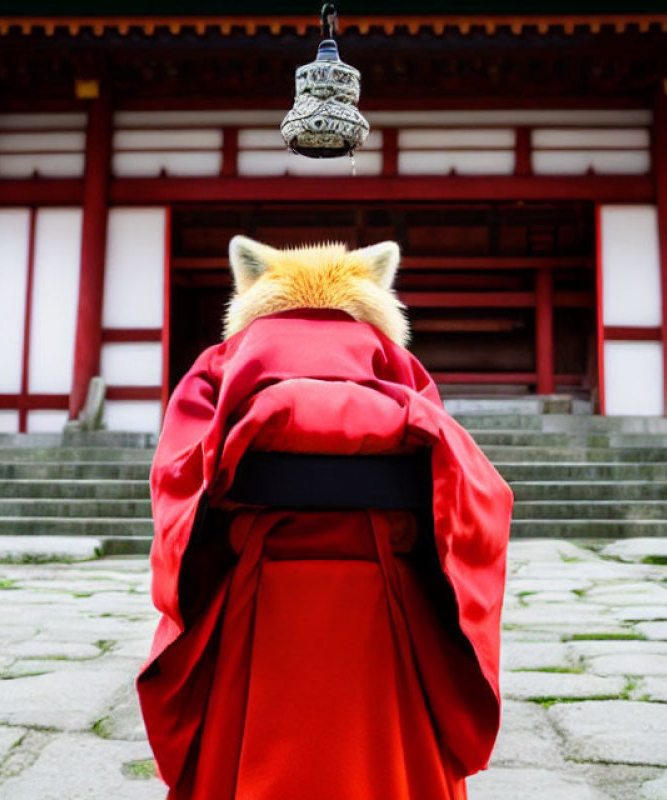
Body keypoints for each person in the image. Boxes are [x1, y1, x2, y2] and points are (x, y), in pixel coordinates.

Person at [138, 236, 513, 800]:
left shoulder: (217, 370)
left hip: (256, 595)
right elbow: (469, 492)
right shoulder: (399, 370)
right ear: (374, 292)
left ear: (253, 289)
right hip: (385, 598)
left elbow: (180, 489)